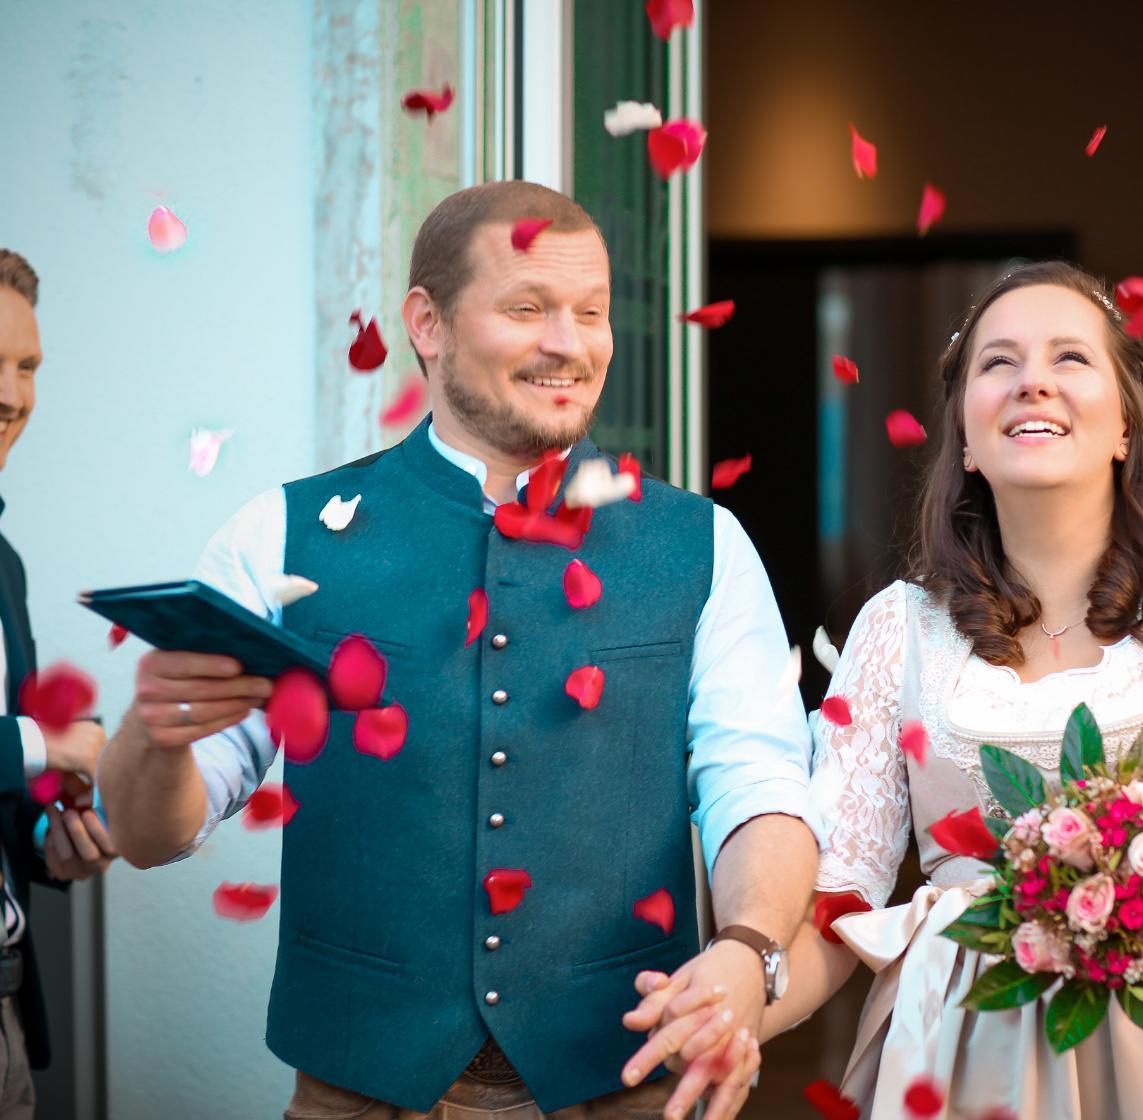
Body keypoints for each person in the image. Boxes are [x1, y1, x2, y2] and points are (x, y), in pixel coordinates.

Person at [97, 183, 819, 1120]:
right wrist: (151, 738)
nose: (570, 341)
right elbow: (153, 834)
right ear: (427, 324)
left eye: (591, 312)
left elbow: (756, 785)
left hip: (627, 1088)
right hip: (361, 1095)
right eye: (527, 308)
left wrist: (749, 944)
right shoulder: (279, 537)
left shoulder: (705, 545)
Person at [637, 261, 1143, 1116]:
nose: (1033, 384)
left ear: (1126, 424)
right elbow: (842, 901)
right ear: (966, 436)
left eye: (1070, 358)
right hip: (965, 1059)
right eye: (999, 364)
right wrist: (738, 1008)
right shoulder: (897, 629)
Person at [0, 248, 120, 1119]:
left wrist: (52, 840)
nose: (12, 396)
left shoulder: (5, 567)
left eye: (28, 367)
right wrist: (52, 742)